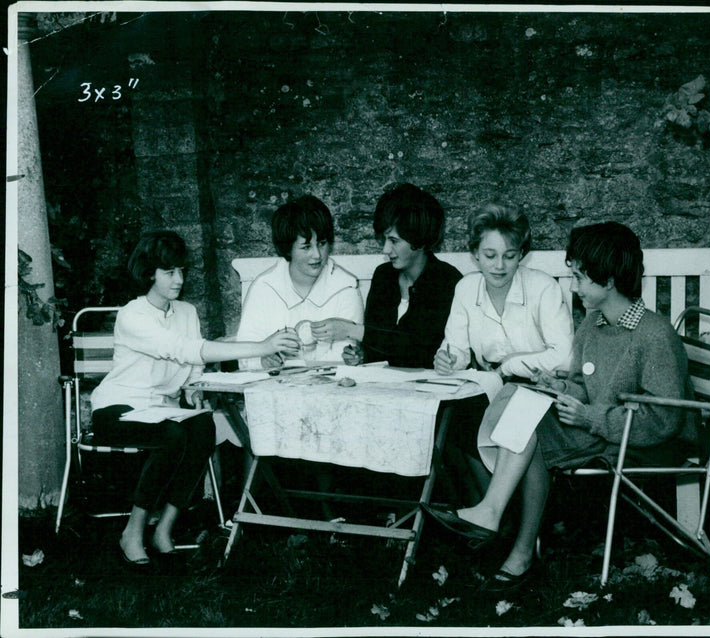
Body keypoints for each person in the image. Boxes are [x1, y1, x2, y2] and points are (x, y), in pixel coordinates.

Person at [423, 221, 698, 592]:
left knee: (529, 426)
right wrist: (559, 386)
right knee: (526, 409)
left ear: (610, 281)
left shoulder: (653, 334)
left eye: (581, 278)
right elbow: (586, 385)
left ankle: (498, 522)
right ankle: (513, 544)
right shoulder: (595, 324)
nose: (574, 286)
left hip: (643, 442)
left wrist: (589, 416)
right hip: (607, 428)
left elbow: (664, 420)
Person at [91, 231, 301, 567]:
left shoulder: (186, 312)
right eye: (169, 272)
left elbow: (192, 367)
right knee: (173, 437)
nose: (179, 279)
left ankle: (164, 529)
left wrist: (196, 387)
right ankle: (133, 531)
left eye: (181, 271)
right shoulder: (132, 315)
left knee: (203, 427)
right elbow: (185, 349)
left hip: (160, 411)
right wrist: (264, 345)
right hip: (116, 409)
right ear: (149, 273)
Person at [429, 204, 573, 502]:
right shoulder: (467, 288)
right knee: (449, 421)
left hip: (539, 389)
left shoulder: (542, 288)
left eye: (509, 256)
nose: (499, 266)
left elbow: (564, 357)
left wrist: (510, 366)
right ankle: (487, 512)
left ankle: (496, 516)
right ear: (475, 254)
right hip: (489, 387)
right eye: (490, 256)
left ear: (522, 253)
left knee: (505, 422)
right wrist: (447, 358)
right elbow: (455, 346)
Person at [312, 183, 462, 368]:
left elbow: (419, 350)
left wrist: (352, 330)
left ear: (419, 239)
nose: (385, 249)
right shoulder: (383, 276)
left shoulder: (446, 281)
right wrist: (361, 355)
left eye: (394, 241)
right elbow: (379, 346)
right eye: (384, 239)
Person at [236, 195, 363, 368]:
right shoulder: (264, 287)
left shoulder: (345, 287)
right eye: (306, 247)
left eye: (322, 243)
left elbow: (346, 354)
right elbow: (245, 353)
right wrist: (263, 361)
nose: (317, 255)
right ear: (288, 248)